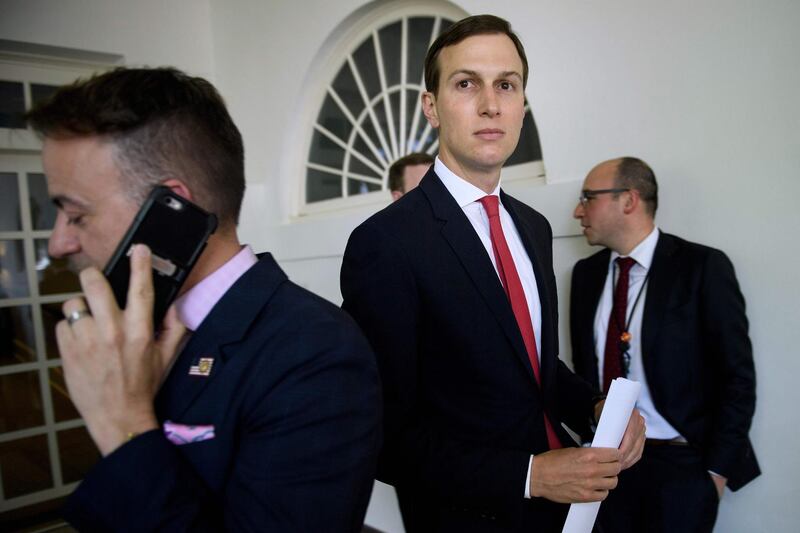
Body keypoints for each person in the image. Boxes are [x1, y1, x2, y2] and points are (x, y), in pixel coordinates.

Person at [27, 67, 382, 532]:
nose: (57, 244)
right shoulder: (132, 333)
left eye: (76, 215)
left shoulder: (315, 352)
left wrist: (124, 427)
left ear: (170, 210)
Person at [341, 15, 644, 532]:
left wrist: (595, 406)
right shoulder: (385, 243)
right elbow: (380, 434)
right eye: (466, 84)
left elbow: (531, 368)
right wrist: (530, 475)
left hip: (574, 510)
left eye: (506, 84)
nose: (490, 104)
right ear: (431, 107)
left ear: (522, 104)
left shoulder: (532, 226)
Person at [570, 157, 760, 532]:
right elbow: (582, 372)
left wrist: (714, 475)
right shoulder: (585, 275)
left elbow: (737, 377)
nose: (578, 210)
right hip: (607, 466)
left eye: (588, 197)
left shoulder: (702, 266)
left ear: (629, 200)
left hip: (683, 467)